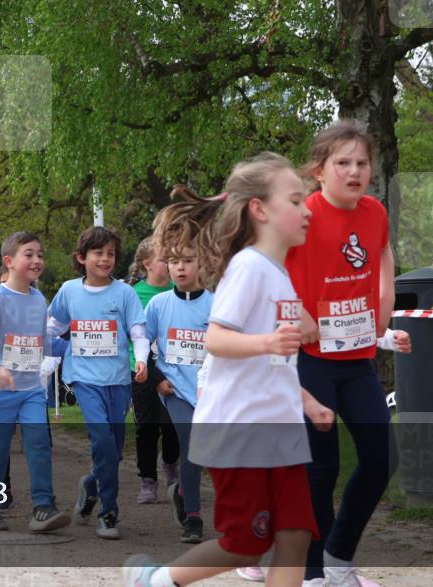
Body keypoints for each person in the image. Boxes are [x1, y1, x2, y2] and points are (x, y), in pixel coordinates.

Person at [124, 152, 335, 587]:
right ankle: (156, 581)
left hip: (280, 430)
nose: (306, 208)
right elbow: (217, 339)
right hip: (239, 429)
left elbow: (278, 362)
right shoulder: (247, 269)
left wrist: (309, 401)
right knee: (246, 543)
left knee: (296, 535)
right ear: (259, 210)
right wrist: (268, 341)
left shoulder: (279, 274)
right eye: (295, 200)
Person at [286, 121, 411, 587]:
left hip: (357, 361)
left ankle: (339, 556)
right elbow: (267, 267)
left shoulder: (374, 211)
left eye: (362, 163)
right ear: (319, 170)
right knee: (321, 467)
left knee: (381, 458)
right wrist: (295, 312)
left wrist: (385, 301)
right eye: (343, 163)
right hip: (310, 360)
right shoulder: (303, 214)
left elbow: (382, 253)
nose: (354, 171)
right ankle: (314, 571)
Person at [48, 226, 149, 540]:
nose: (106, 259)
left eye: (111, 254)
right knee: (103, 443)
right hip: (83, 379)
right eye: (98, 253)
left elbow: (138, 333)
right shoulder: (68, 291)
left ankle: (91, 484)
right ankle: (109, 512)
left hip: (118, 380)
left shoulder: (125, 293)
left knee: (114, 452)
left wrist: (142, 359)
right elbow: (54, 327)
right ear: (82, 257)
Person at [0, 231, 70, 534]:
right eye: (29, 254)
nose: (37, 260)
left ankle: (43, 506)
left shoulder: (39, 299)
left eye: (40, 254)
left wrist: (50, 364)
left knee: (39, 443)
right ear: (9, 261)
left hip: (30, 389)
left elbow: (42, 340)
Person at [142, 240, 213, 544]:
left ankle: (182, 491)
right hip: (175, 390)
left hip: (210, 390)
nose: (180, 267)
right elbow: (141, 347)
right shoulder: (158, 305)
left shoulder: (216, 302)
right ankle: (194, 519)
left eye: (187, 260)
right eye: (173, 261)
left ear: (202, 264)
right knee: (191, 442)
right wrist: (156, 378)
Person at [128, 237, 181, 503]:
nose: (170, 263)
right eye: (164, 258)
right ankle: (147, 479)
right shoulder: (134, 294)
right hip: (141, 370)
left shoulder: (180, 290)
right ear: (147, 264)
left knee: (172, 424)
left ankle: (171, 462)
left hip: (175, 369)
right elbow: (135, 337)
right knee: (147, 426)